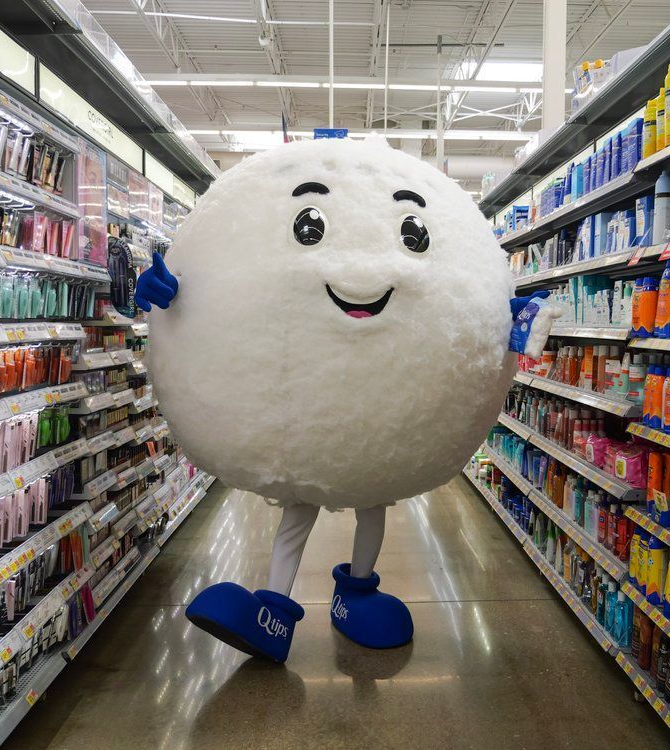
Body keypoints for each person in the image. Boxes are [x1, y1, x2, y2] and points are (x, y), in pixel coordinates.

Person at [135, 137, 557, 662]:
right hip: (307, 431)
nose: (363, 272)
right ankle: (273, 609)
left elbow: (485, 313)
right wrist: (166, 292)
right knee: (299, 510)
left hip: (379, 437)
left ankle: (357, 592)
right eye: (309, 225)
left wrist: (518, 318)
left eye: (412, 233)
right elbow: (199, 293)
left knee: (369, 508)